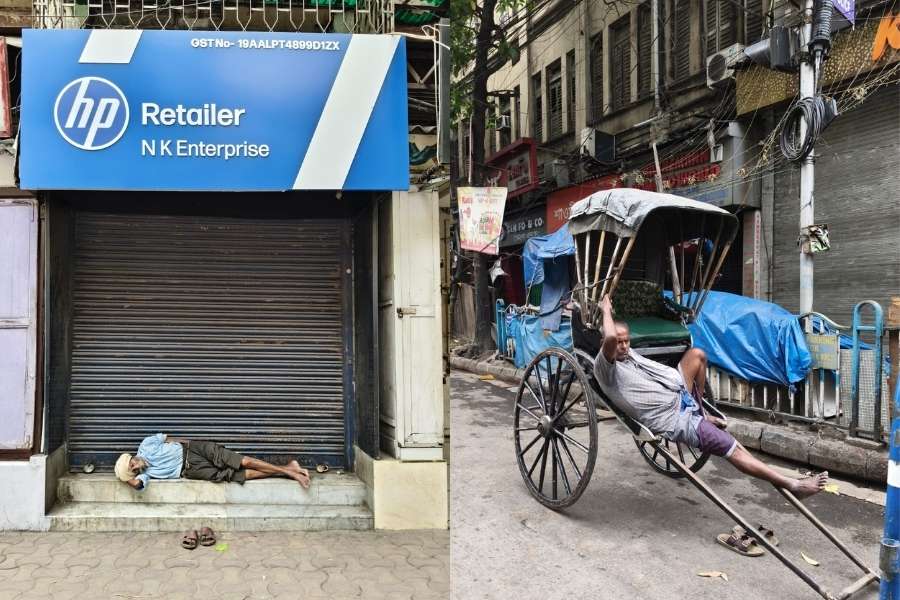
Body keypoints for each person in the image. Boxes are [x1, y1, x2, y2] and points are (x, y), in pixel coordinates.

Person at [595, 295, 828, 500]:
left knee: (697, 354)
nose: (623, 346)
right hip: (675, 418)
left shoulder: (630, 353)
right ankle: (793, 485)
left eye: (626, 341)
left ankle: (701, 410)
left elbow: (618, 340)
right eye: (619, 342)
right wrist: (606, 311)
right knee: (732, 448)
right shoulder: (605, 367)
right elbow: (610, 339)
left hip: (681, 396)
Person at [114, 433, 311, 491]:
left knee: (241, 461)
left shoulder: (146, 445)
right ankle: (289, 469)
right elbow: (138, 485)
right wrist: (125, 477)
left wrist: (192, 444)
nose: (135, 465)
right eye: (133, 469)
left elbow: (168, 438)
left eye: (132, 463)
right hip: (191, 471)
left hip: (194, 449)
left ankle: (291, 472)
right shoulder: (145, 475)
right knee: (235, 475)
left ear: (131, 457)